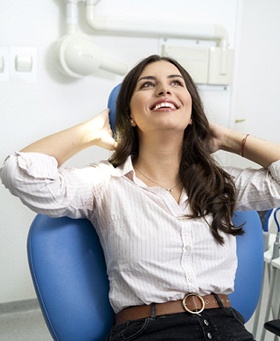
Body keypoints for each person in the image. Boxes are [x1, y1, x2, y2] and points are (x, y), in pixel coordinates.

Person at [1, 54, 280, 341]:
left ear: (191, 111)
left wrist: (229, 139)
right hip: (149, 332)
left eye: (176, 82)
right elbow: (21, 174)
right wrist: (89, 132)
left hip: (227, 328)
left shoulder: (220, 183)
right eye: (148, 84)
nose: (164, 89)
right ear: (131, 115)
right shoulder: (104, 182)